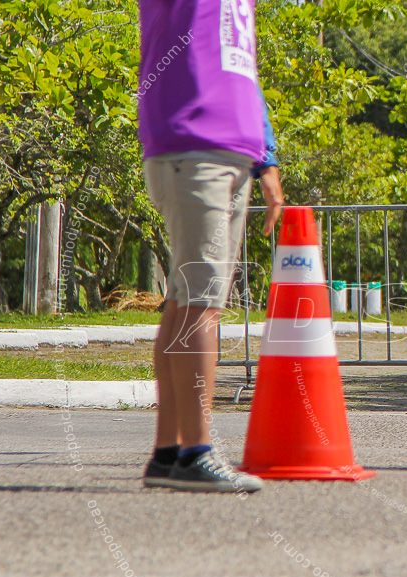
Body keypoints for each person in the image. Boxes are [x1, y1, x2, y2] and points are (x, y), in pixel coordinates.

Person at [138, 0, 285, 492]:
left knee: (187, 302)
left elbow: (242, 65)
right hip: (193, 144)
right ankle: (196, 451)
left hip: (233, 151)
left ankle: (170, 454)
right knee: (201, 303)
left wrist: (266, 161)